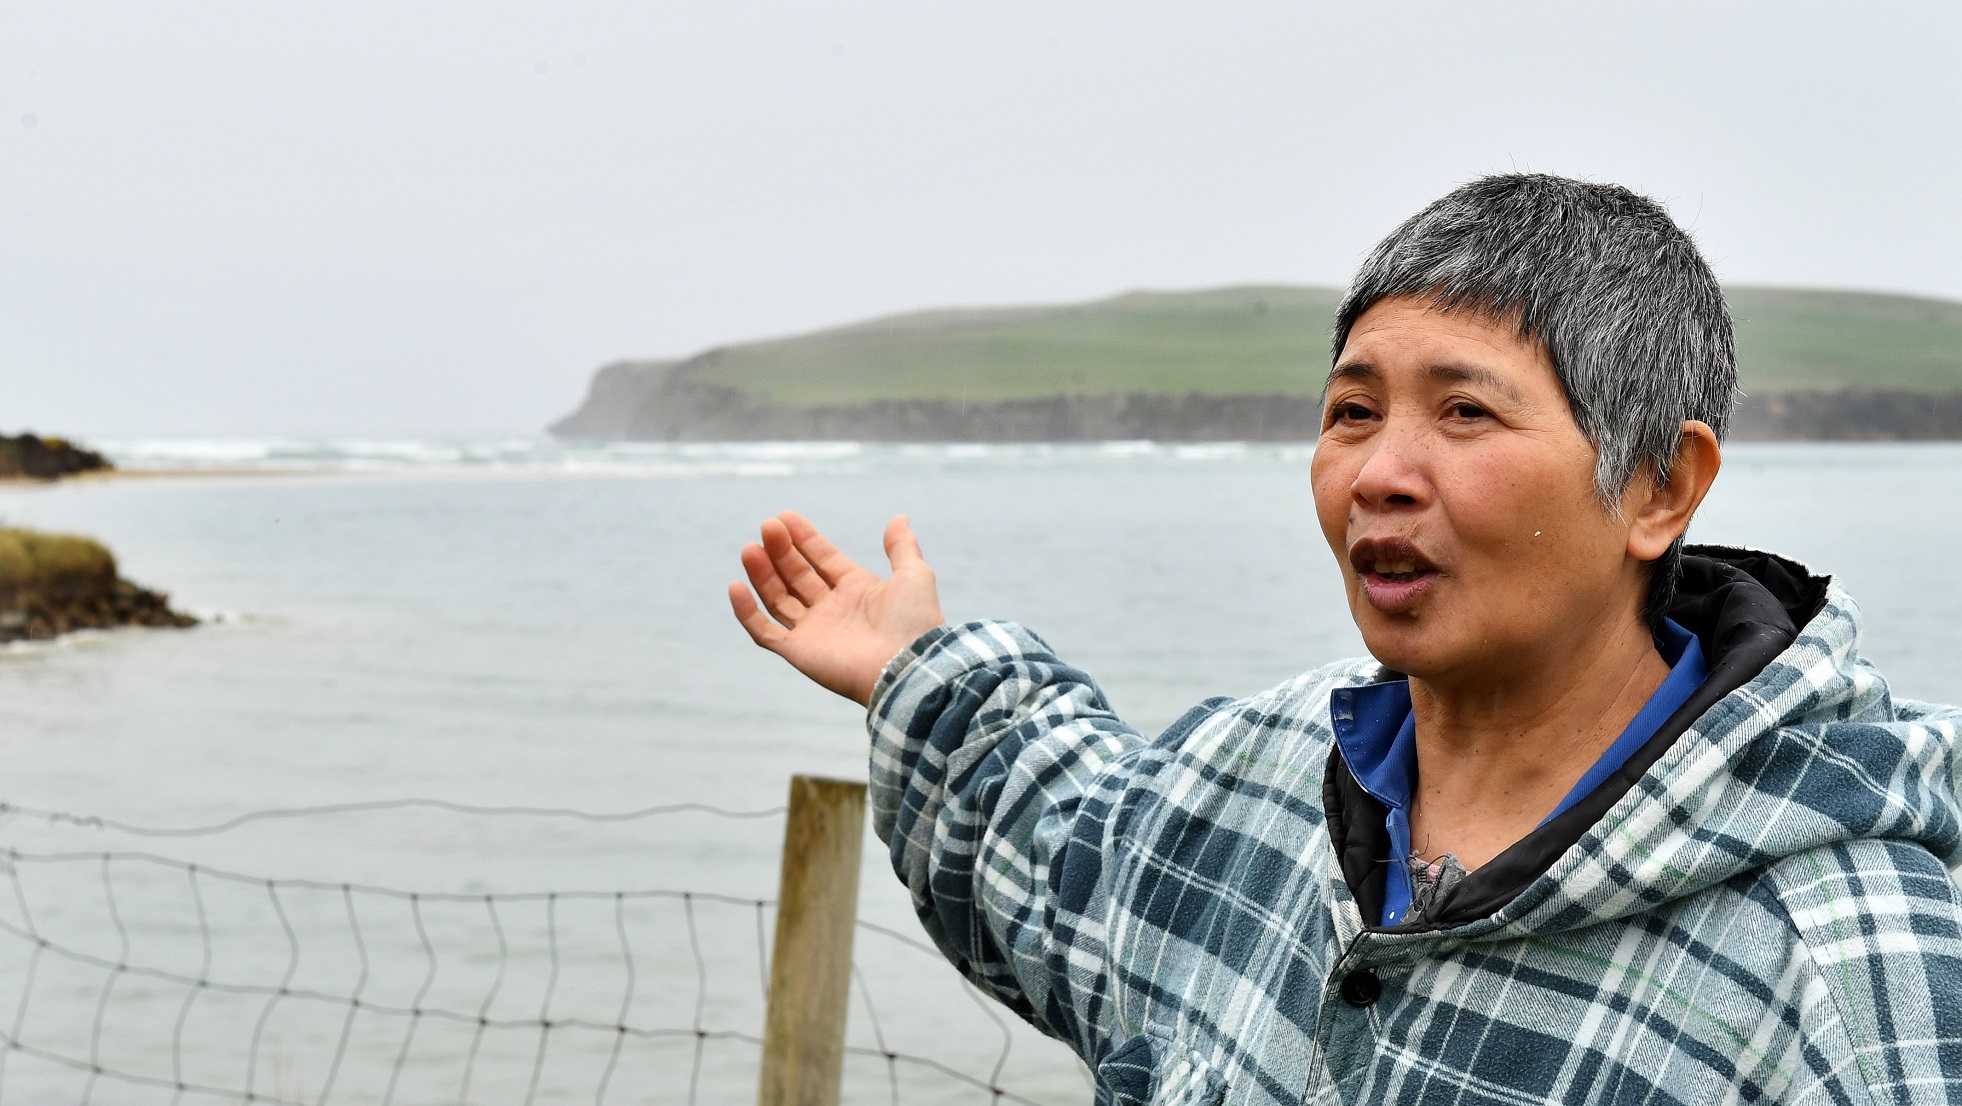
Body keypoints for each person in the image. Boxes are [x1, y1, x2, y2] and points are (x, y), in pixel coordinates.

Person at [727, 174, 1962, 1105]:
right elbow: (1065, 853)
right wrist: (917, 671)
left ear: (1657, 487)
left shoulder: (1841, 972)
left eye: (1466, 411)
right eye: (1351, 411)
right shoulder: (1258, 774)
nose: (1379, 472)